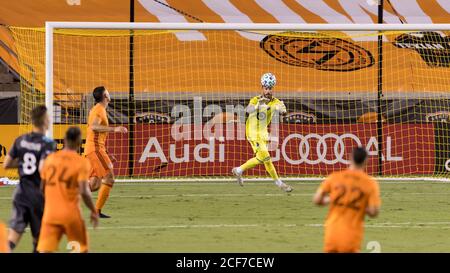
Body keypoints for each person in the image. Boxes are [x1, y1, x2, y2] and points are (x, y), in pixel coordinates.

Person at [2, 105, 56, 252]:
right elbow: (42, 169)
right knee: (39, 240)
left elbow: (6, 164)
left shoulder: (20, 140)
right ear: (45, 121)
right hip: (37, 195)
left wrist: (23, 163)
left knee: (13, 237)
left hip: (20, 193)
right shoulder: (48, 143)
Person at [38, 126, 98, 253]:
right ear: (79, 142)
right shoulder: (81, 162)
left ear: (64, 140)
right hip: (71, 216)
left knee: (45, 251)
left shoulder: (49, 160)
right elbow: (84, 191)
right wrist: (93, 210)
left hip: (50, 215)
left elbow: (42, 188)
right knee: (80, 249)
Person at [232, 73, 292, 192]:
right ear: (262, 88)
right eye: (266, 88)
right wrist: (257, 106)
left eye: (270, 88)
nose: (268, 91)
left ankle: (238, 170)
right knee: (266, 157)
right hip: (253, 133)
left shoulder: (276, 102)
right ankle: (279, 183)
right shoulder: (256, 99)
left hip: (263, 133)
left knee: (264, 158)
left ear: (272, 88)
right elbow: (247, 110)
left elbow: (282, 111)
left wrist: (283, 110)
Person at [313, 147, 381, 253]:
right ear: (366, 161)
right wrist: (361, 204)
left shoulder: (334, 177)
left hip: (332, 232)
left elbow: (317, 199)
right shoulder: (370, 183)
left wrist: (333, 199)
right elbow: (373, 212)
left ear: (350, 158)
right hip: (351, 236)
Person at [84, 86, 127, 218]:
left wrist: (106, 152)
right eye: (107, 91)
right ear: (105, 96)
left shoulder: (99, 109)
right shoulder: (99, 110)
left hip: (95, 149)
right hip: (95, 149)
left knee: (94, 184)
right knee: (109, 176)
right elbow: (94, 127)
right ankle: (96, 212)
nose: (109, 92)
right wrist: (115, 129)